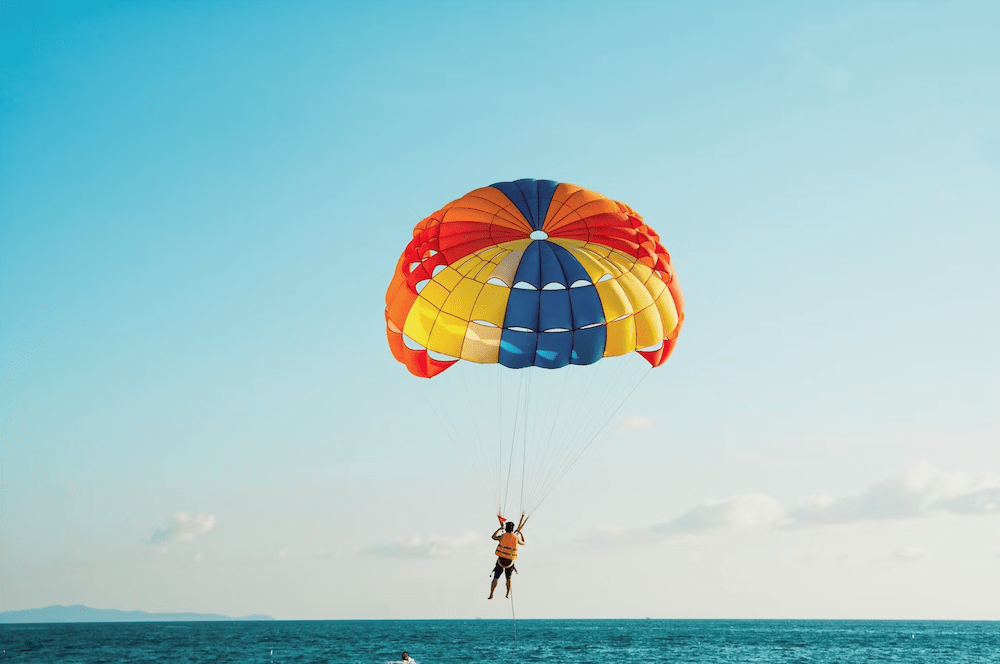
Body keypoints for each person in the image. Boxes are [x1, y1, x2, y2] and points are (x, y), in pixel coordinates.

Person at [489, 513, 526, 599]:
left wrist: (499, 529)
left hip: (501, 561)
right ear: (513, 529)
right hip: (509, 562)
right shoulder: (516, 538)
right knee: (508, 578)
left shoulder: (502, 536)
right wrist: (520, 533)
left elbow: (493, 537)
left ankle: (491, 593)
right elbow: (523, 543)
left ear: (505, 529)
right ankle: (508, 593)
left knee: (496, 577)